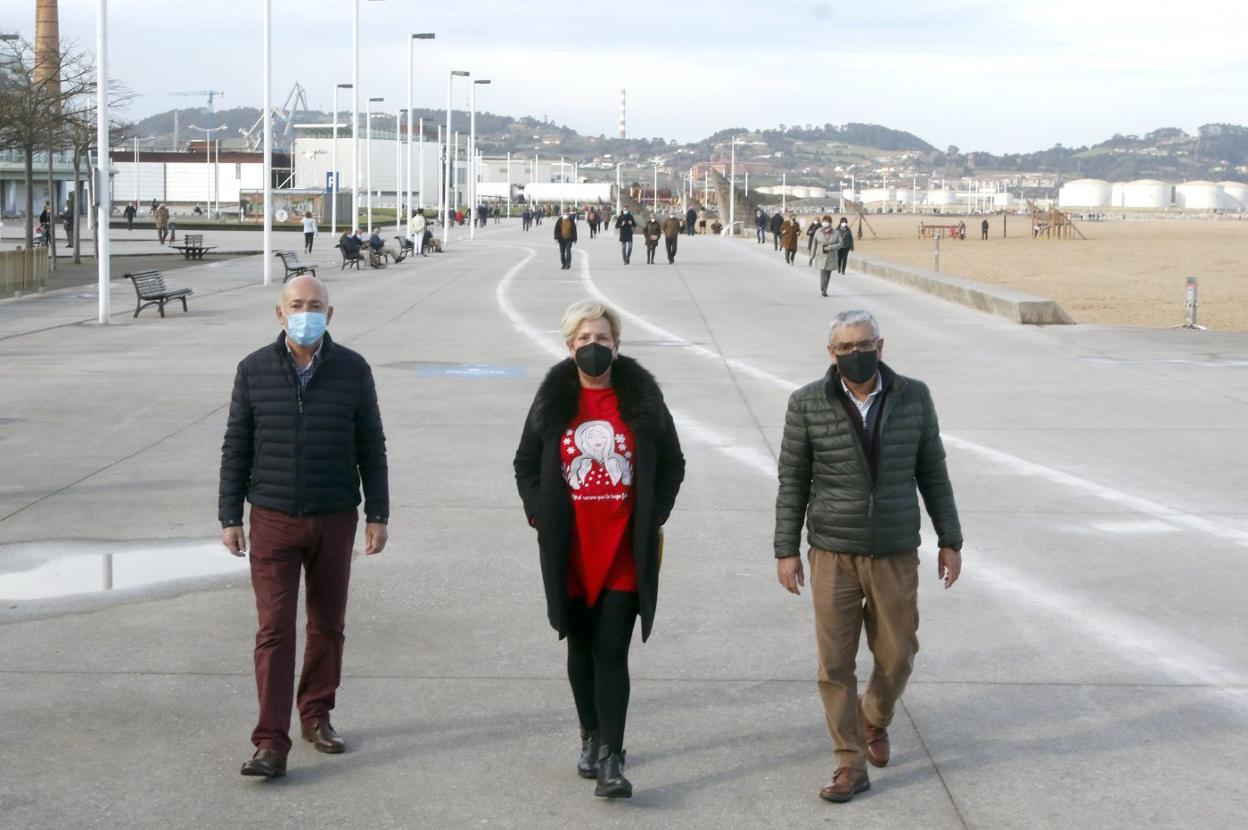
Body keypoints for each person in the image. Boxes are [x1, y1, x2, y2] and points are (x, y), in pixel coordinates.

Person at [774, 309, 962, 804]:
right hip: (832, 552)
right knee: (834, 664)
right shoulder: (807, 403)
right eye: (845, 349)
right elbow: (793, 481)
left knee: (898, 655)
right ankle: (848, 763)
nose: (855, 355)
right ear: (831, 354)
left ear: (881, 346)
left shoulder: (913, 396)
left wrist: (950, 539)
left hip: (894, 551)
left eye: (864, 345)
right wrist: (785, 550)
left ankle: (874, 716)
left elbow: (933, 472)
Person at [219, 274, 390, 779]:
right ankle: (271, 742)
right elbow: (237, 446)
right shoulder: (253, 370)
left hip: (335, 516)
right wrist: (230, 514)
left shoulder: (353, 370)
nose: (306, 312)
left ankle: (317, 715)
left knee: (327, 625)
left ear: (330, 315)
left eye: (315, 305)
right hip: (271, 517)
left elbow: (371, 446)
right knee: (274, 630)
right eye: (296, 304)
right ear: (279, 313)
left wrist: (377, 513)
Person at [513, 299, 684, 800]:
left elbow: (673, 462)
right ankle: (589, 733)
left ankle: (612, 754)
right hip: (570, 551)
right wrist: (539, 515)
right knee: (581, 649)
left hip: (624, 551)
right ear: (570, 347)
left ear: (617, 345)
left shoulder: (641, 399)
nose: (594, 347)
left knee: (612, 651)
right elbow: (525, 464)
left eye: (602, 339)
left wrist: (654, 514)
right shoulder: (552, 401)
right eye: (584, 340)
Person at [812, 216, 838, 296]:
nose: (825, 223)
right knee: (823, 271)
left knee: (828, 273)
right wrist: (811, 256)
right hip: (821, 255)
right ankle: (822, 286)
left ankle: (825, 289)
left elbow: (840, 244)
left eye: (827, 222)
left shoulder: (835, 232)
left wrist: (832, 247)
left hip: (831, 256)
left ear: (830, 223)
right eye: (824, 221)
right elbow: (814, 244)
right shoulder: (818, 231)